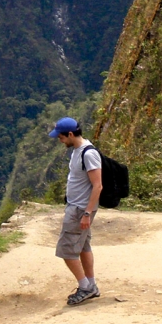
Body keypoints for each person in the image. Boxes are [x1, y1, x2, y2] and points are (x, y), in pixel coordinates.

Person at [49, 117, 103, 306]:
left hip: (80, 209)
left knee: (66, 250)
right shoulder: (77, 151)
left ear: (70, 134)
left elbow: (98, 186)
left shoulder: (88, 154)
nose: (59, 140)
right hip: (77, 206)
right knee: (83, 247)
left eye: (61, 137)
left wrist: (87, 213)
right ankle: (91, 284)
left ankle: (85, 287)